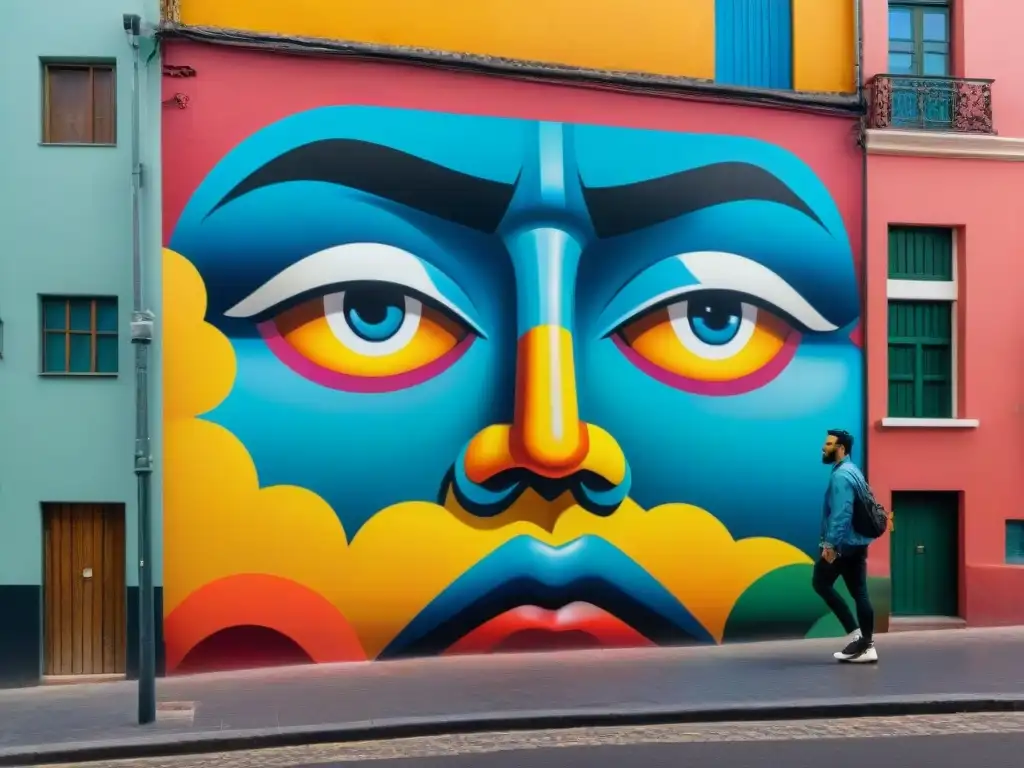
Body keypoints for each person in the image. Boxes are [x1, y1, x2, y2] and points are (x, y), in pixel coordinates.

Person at [814, 429, 878, 663]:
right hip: (858, 543)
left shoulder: (841, 476)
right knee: (859, 592)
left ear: (841, 448)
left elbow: (842, 513)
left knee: (820, 582)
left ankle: (857, 635)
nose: (823, 447)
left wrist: (830, 544)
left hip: (843, 545)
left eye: (828, 443)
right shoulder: (854, 471)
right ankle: (867, 645)